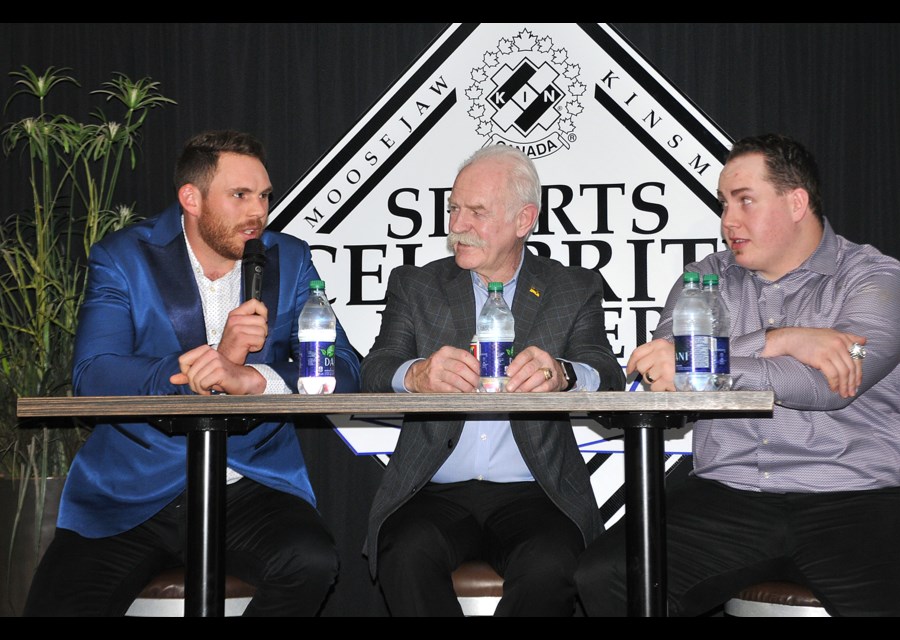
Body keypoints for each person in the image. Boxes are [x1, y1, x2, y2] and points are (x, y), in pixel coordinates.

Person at [574, 133, 900, 617]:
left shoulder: (877, 279)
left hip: (861, 497)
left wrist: (743, 349)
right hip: (728, 494)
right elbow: (665, 373)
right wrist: (786, 341)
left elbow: (826, 386)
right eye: (724, 204)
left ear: (796, 202)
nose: (727, 221)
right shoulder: (702, 280)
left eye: (745, 201)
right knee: (606, 576)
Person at [23, 130, 362, 617]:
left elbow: (345, 369)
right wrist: (203, 364)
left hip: (249, 485)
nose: (258, 212)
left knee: (310, 561)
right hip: (131, 492)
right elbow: (95, 374)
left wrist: (255, 379)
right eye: (240, 195)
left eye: (264, 196)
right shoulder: (123, 257)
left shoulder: (289, 256)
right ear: (192, 198)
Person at [360, 145, 625, 616]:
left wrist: (562, 375)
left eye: (476, 212)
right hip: (432, 488)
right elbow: (375, 371)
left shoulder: (572, 287)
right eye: (453, 209)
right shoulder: (414, 284)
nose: (457, 225)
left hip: (535, 490)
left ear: (524, 220)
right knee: (403, 552)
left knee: (550, 563)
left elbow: (607, 375)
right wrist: (416, 375)